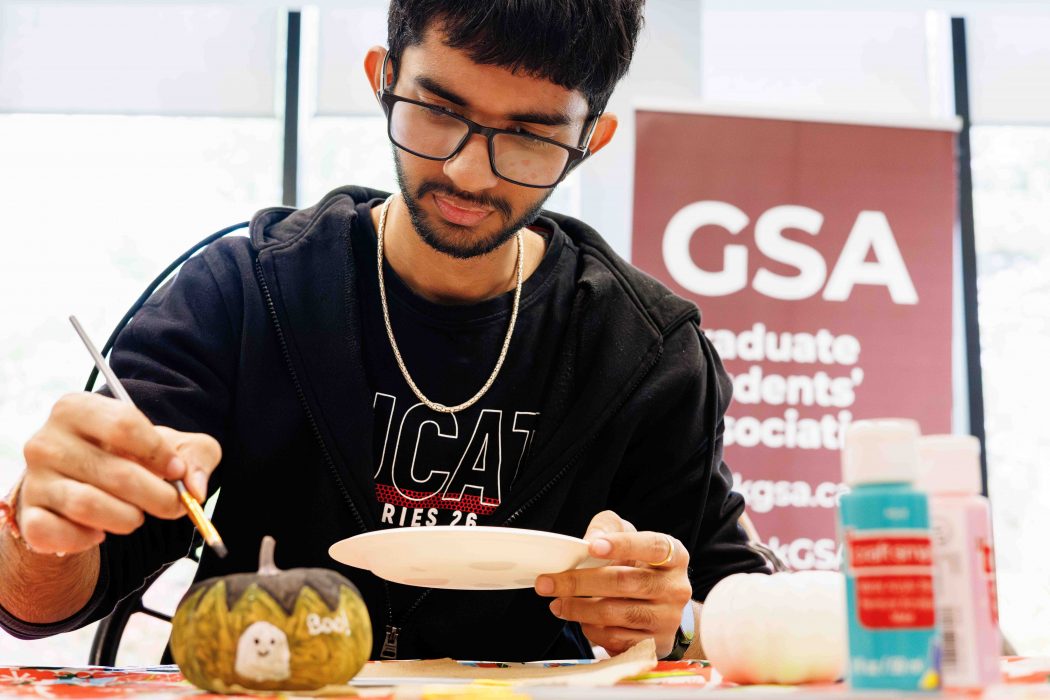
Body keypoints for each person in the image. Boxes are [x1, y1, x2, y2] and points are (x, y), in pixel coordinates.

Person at [0, 0, 768, 661]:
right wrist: (44, 524)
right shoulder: (244, 295)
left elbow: (732, 604)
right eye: (438, 112)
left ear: (590, 139)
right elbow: (40, 605)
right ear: (384, 79)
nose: (470, 173)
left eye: (531, 136)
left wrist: (677, 621)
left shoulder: (641, 351)